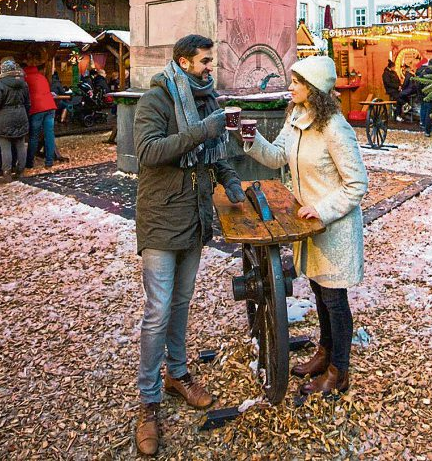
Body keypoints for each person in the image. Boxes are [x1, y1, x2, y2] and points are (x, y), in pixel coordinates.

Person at [133, 34, 245, 457]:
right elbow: (147, 151)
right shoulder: (155, 100)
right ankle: (147, 402)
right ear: (182, 62)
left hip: (195, 217)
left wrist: (229, 179)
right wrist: (200, 132)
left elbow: (216, 152)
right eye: (203, 61)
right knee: (157, 311)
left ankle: (177, 374)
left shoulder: (206, 99)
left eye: (210, 61)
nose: (209, 67)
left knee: (180, 304)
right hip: (162, 217)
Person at [242, 56, 368, 396]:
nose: (290, 87)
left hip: (332, 227)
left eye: (297, 82)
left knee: (334, 299)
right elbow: (277, 157)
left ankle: (339, 371)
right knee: (319, 291)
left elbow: (357, 184)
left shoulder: (335, 128)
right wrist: (250, 139)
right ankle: (324, 354)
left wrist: (322, 210)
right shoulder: (297, 117)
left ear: (313, 88)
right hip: (307, 225)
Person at [0, 59, 30, 180]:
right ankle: (20, 171)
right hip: (21, 115)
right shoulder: (24, 83)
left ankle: (7, 174)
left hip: (4, 117)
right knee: (21, 146)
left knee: (5, 148)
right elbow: (28, 103)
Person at [23, 59, 57, 169]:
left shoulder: (25, 78)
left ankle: (29, 162)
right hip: (50, 106)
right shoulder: (41, 77)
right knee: (49, 134)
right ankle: (49, 161)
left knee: (34, 136)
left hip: (37, 108)